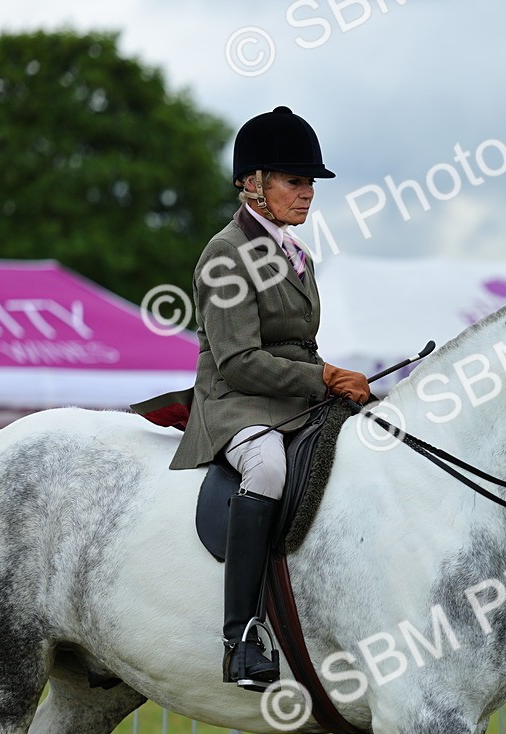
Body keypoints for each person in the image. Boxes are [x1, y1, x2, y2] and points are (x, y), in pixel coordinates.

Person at [144, 106, 370, 688]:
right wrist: (322, 379)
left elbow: (298, 347)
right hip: (236, 401)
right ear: (252, 184)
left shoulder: (298, 255)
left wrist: (338, 385)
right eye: (295, 181)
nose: (308, 194)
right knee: (267, 467)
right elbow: (240, 360)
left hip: (293, 399)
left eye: (310, 183)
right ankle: (241, 637)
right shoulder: (225, 254)